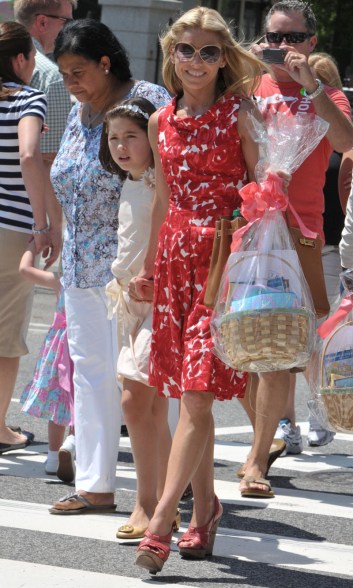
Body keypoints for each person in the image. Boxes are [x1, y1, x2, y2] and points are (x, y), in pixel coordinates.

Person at [129, 6, 267, 574]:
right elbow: (162, 198)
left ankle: (162, 520)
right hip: (175, 258)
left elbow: (262, 190)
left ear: (222, 58)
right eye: (187, 50)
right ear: (172, 53)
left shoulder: (241, 114)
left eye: (210, 52)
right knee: (189, 392)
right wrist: (148, 265)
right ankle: (205, 507)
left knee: (199, 393)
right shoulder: (161, 121)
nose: (196, 61)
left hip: (224, 259)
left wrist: (256, 249)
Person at [47, 19, 170, 514]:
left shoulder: (148, 97)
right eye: (64, 74)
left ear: (105, 62)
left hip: (134, 266)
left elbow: (166, 180)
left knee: (146, 380)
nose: (72, 82)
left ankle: (167, 484)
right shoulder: (80, 112)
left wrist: (159, 260)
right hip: (80, 266)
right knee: (92, 374)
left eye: (79, 71)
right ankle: (96, 484)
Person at [238, 0, 353, 497]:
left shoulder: (328, 95)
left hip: (302, 236)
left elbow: (349, 140)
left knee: (281, 352)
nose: (280, 48)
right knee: (236, 342)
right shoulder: (248, 88)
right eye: (272, 38)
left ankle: (256, 460)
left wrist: (312, 87)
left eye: (291, 38)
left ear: (311, 42)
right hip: (246, 232)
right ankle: (267, 435)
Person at [100, 97, 177, 542]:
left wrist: (152, 277)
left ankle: (148, 502)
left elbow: (165, 234)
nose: (122, 146)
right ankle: (165, 500)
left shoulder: (155, 186)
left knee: (135, 401)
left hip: (157, 300)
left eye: (132, 136)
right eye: (114, 138)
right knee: (150, 405)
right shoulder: (129, 183)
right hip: (129, 304)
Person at [0, 21, 51, 454]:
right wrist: (42, 223)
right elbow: (30, 155)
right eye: (32, 57)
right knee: (6, 332)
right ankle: (0, 429)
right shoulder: (28, 99)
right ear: (19, 60)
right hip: (11, 226)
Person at [14, 0, 75, 263]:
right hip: (20, 221)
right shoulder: (51, 77)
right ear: (42, 22)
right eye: (67, 22)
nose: (68, 31)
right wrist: (52, 227)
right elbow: (47, 163)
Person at [19, 241, 75, 483]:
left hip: (58, 345)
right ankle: (74, 448)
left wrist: (33, 245)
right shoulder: (95, 285)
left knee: (57, 402)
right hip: (83, 343)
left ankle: (53, 456)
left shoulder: (60, 281)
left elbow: (25, 270)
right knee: (81, 400)